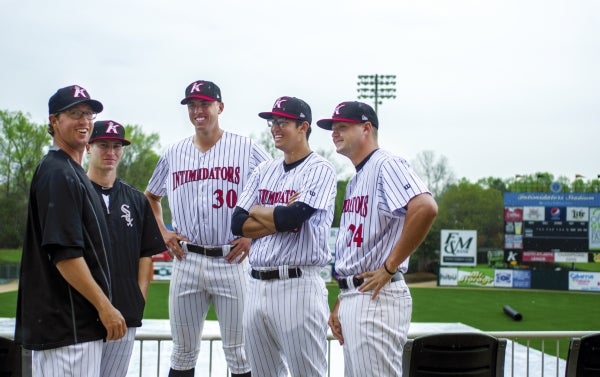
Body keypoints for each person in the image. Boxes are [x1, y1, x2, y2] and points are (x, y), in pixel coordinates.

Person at [145, 80, 270, 377]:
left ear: (220, 107)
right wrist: (163, 232)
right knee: (183, 352)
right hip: (187, 260)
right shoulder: (174, 153)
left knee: (240, 354)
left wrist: (253, 237)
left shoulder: (245, 147)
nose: (198, 110)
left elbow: (275, 189)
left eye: (204, 104)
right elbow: (151, 196)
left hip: (232, 260)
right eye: (192, 105)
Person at [317, 101, 438, 377]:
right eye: (333, 128)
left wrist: (389, 266)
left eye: (342, 126)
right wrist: (342, 299)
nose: (334, 132)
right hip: (356, 296)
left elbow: (426, 207)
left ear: (366, 128)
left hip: (377, 297)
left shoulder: (386, 164)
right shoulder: (355, 179)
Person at [14, 85, 127, 377]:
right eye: (74, 113)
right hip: (68, 328)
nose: (84, 121)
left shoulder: (69, 170)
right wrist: (105, 307)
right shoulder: (58, 173)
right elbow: (65, 255)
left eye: (88, 114)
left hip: (71, 329)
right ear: (54, 121)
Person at [231, 96, 337, 377]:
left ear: (303, 126)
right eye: (272, 122)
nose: (275, 127)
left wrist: (263, 212)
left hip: (298, 286)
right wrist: (275, 215)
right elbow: (238, 223)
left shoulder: (320, 169)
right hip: (256, 284)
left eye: (283, 122)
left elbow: (294, 218)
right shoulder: (263, 170)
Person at [86, 120, 167, 376]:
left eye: (116, 146)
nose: (111, 152)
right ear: (89, 147)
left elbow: (146, 254)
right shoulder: (76, 192)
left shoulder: (135, 199)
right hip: (82, 314)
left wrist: (138, 299)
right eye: (103, 145)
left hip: (124, 315)